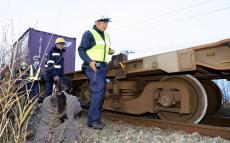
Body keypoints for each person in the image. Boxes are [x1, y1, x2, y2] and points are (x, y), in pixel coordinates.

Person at [78, 15, 115, 130]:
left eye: (107, 23)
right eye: (104, 22)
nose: (106, 25)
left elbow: (101, 48)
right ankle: (93, 120)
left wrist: (109, 51)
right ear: (97, 22)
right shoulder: (89, 33)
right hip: (93, 66)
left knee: (100, 92)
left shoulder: (106, 35)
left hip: (103, 66)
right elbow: (81, 50)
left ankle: (93, 119)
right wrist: (89, 62)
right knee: (98, 91)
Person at [33, 76, 82, 143]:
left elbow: (42, 113)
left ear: (56, 87)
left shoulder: (46, 99)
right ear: (70, 89)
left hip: (42, 139)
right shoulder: (73, 99)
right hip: (65, 139)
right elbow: (77, 111)